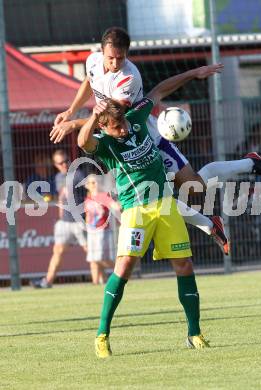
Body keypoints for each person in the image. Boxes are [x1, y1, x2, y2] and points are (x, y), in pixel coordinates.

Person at [50, 27, 261, 250]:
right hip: (119, 143)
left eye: (120, 58)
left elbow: (114, 119)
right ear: (101, 52)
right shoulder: (92, 62)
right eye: (111, 58)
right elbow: (89, 83)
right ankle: (211, 223)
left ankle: (249, 165)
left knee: (192, 187)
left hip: (145, 138)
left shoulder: (128, 77)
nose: (115, 63)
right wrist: (71, 111)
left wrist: (74, 124)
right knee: (155, 197)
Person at [77, 66, 222, 357]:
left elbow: (160, 90)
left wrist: (195, 73)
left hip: (166, 205)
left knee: (184, 267)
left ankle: (194, 333)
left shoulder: (135, 119)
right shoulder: (105, 145)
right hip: (136, 212)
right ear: (104, 128)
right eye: (117, 127)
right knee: (124, 269)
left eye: (124, 124)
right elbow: (83, 141)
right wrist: (93, 114)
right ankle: (102, 335)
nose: (124, 129)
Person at [32, 149, 87, 288]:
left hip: (79, 220)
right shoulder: (58, 177)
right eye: (60, 163)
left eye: (66, 161)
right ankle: (48, 281)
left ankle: (108, 278)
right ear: (55, 165)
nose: (64, 164)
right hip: (65, 222)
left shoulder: (78, 174)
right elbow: (62, 199)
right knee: (58, 251)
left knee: (92, 253)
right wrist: (60, 216)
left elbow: (91, 191)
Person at [84, 174, 120, 284]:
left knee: (99, 258)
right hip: (91, 230)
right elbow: (87, 215)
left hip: (102, 230)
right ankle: (96, 283)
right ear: (87, 185)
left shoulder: (103, 196)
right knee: (92, 259)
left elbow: (115, 206)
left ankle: (120, 273)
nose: (94, 185)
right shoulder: (88, 197)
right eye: (91, 183)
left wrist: (117, 203)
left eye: (95, 182)